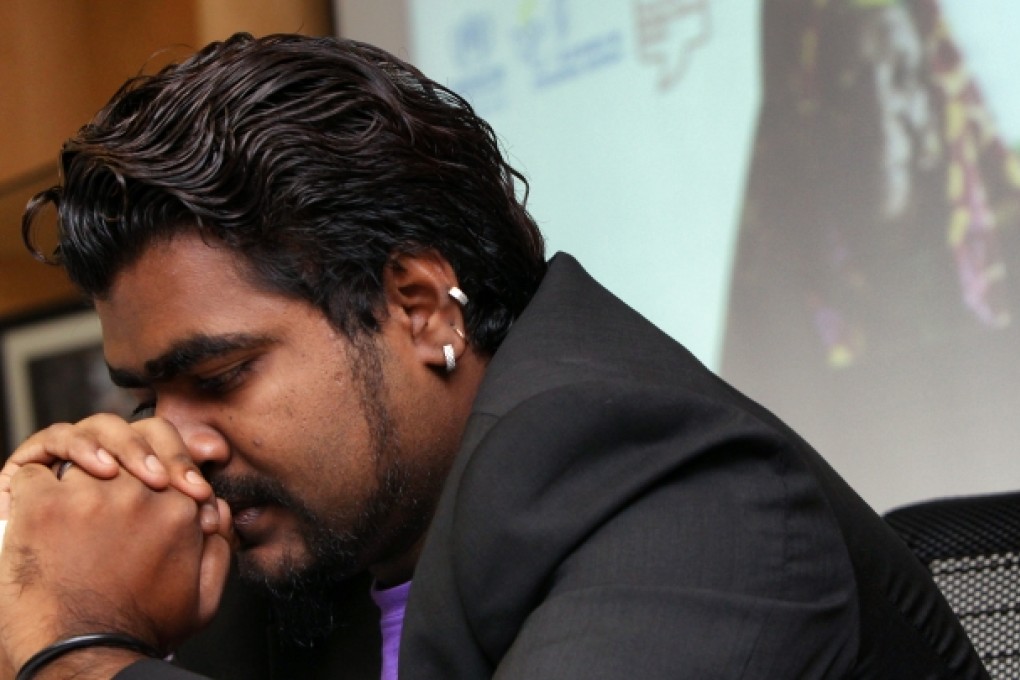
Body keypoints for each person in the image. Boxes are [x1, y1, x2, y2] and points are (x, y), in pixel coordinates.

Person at [0, 32, 987, 680]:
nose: (177, 444)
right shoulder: (286, 552)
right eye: (149, 396)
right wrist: (35, 574)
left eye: (218, 377)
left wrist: (74, 648)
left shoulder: (678, 487)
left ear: (422, 307)